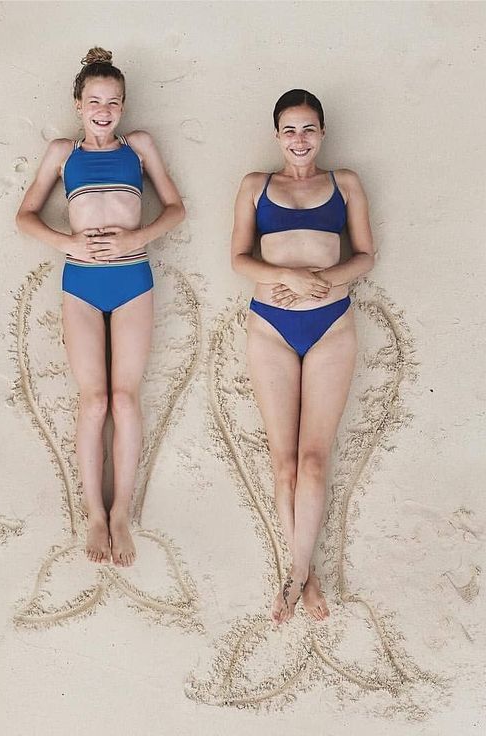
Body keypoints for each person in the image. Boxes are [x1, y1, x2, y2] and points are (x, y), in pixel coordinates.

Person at [16, 48, 185, 566]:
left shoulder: (139, 147)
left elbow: (176, 209)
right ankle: (94, 513)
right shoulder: (63, 153)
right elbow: (25, 216)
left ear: (124, 105)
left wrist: (140, 235)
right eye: (94, 101)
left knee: (126, 400)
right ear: (78, 105)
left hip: (133, 277)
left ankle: (120, 515)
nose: (104, 110)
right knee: (94, 401)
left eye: (113, 101)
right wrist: (66, 242)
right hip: (82, 281)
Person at [231, 89, 375, 623]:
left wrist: (322, 281)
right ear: (277, 135)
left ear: (322, 133)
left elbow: (364, 256)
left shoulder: (346, 183)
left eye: (309, 129)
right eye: (290, 130)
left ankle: (294, 575)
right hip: (269, 326)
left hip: (331, 323)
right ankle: (305, 576)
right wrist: (287, 276)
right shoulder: (254, 186)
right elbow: (239, 259)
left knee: (314, 460)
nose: (299, 140)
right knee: (284, 462)